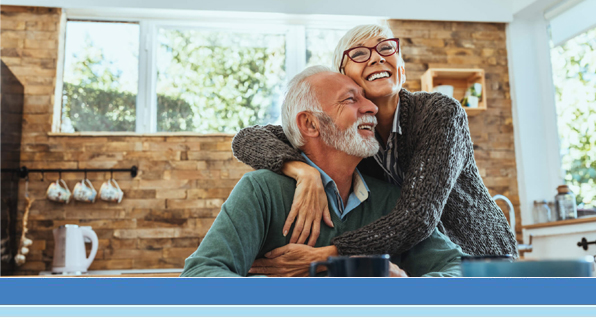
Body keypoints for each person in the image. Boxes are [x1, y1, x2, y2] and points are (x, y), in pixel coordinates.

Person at [232, 24, 517, 276]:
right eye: (359, 54)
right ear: (343, 76)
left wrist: (326, 256)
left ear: (401, 67)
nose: (377, 57)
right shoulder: (347, 135)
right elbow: (247, 139)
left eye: (385, 48)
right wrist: (303, 171)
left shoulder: (440, 113)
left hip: (478, 259)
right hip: (419, 264)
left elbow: (417, 217)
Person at [180, 66, 463, 277]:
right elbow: (199, 276)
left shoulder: (391, 200)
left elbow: (459, 271)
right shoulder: (261, 191)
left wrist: (405, 288)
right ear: (311, 125)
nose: (372, 107)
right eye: (351, 100)